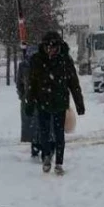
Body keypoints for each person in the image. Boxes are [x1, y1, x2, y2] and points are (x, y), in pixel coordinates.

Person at [26, 31, 85, 175]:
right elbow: (32, 84)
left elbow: (74, 83)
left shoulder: (65, 60)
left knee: (59, 134)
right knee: (44, 132)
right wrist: (30, 102)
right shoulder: (37, 60)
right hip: (42, 102)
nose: (50, 49)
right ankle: (46, 156)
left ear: (59, 46)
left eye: (53, 47)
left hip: (59, 102)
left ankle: (59, 163)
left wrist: (79, 103)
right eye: (47, 46)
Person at [15, 44, 41, 158]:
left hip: (37, 98)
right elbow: (19, 83)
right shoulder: (24, 66)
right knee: (35, 125)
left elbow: (19, 83)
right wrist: (22, 96)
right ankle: (36, 147)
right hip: (32, 99)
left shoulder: (40, 64)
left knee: (38, 125)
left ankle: (37, 147)